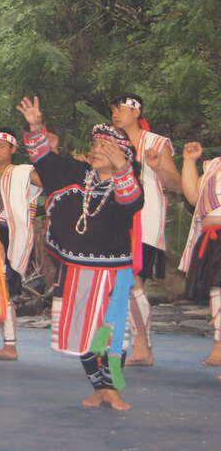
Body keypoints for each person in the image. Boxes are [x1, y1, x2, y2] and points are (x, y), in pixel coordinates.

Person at [18, 96, 143, 411]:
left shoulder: (126, 181)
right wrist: (36, 126)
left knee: (112, 333)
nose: (97, 150)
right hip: (76, 269)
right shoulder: (75, 173)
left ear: (122, 154)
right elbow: (43, 158)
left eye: (105, 147)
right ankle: (98, 387)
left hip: (114, 271)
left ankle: (112, 388)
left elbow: (132, 202)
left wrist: (122, 167)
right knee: (82, 331)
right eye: (95, 145)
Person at [110, 93, 180, 366]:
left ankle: (142, 344)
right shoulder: (111, 143)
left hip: (145, 221)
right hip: (116, 221)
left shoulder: (156, 142)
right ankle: (139, 343)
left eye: (121, 109)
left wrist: (157, 166)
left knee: (132, 282)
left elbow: (176, 184)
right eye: (113, 110)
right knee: (125, 284)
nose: (115, 114)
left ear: (137, 112)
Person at [0, 128, 42, 361]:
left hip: (10, 233)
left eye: (2, 145)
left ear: (13, 149)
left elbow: (48, 181)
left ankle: (10, 346)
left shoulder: (23, 172)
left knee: (5, 288)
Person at [178, 141, 221, 374]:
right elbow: (194, 197)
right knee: (217, 290)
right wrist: (189, 161)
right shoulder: (214, 166)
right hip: (212, 239)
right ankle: (219, 344)